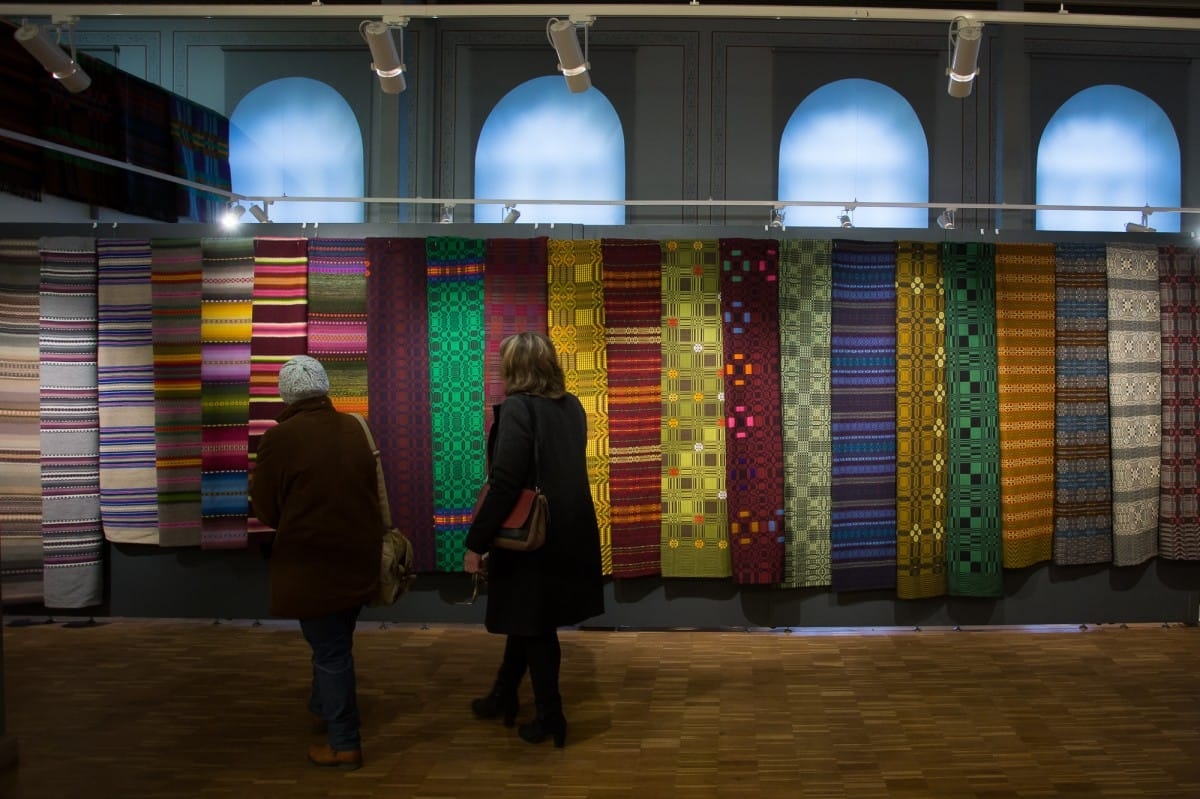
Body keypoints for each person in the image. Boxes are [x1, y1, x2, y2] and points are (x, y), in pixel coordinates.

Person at [464, 332, 605, 748]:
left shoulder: (518, 409)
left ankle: (551, 717)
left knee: (535, 625)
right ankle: (503, 695)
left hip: (530, 539)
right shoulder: (571, 405)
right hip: (567, 530)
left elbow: (506, 482)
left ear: (514, 368)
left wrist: (476, 542)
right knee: (527, 618)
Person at [250, 355, 382, 771]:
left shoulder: (279, 438)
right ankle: (321, 707)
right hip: (359, 557)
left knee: (330, 652)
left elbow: (266, 508)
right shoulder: (356, 427)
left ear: (285, 394)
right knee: (334, 641)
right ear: (325, 387)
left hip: (311, 563)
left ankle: (344, 743)